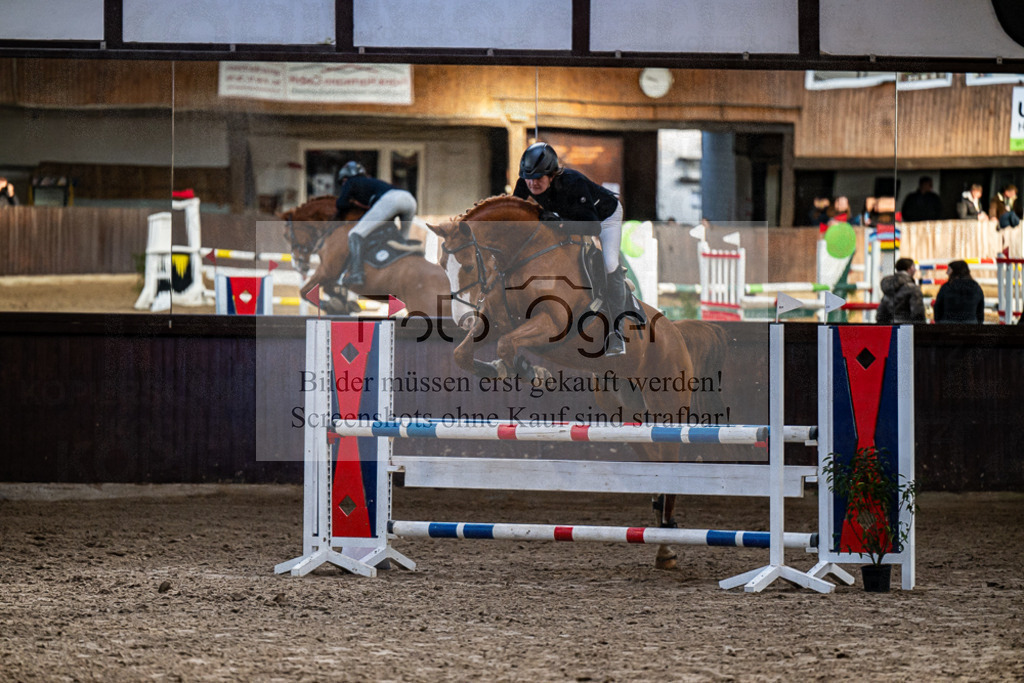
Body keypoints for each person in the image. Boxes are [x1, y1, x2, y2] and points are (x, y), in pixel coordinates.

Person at [512, 142, 629, 356]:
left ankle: (617, 333)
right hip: (573, 218)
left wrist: (559, 223)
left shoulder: (573, 183)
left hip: (604, 218)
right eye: (528, 178)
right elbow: (513, 214)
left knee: (610, 263)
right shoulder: (525, 183)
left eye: (538, 178)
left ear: (552, 175)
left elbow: (592, 226)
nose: (532, 184)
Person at [333, 161, 417, 287]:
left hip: (391, 200)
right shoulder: (371, 181)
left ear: (345, 177)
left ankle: (356, 274)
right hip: (409, 199)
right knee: (403, 239)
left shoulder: (350, 182)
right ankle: (407, 271)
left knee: (355, 234)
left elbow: (341, 204)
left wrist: (352, 202)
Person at [876, 257, 926, 324]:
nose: (915, 270)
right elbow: (918, 314)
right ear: (909, 268)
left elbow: (881, 314)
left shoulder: (889, 286)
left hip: (890, 328)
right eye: (914, 266)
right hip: (907, 329)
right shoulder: (913, 289)